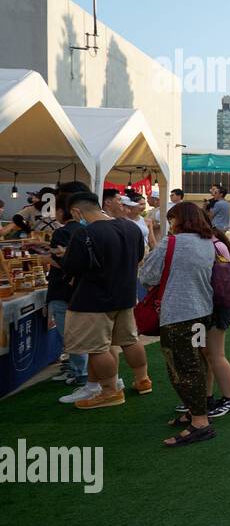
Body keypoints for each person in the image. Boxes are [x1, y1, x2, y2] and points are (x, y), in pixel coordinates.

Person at [60, 192, 151, 410]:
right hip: (126, 295)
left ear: (76, 211)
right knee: (130, 339)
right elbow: (139, 256)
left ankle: (110, 391)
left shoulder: (85, 233)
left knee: (97, 348)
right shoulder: (131, 228)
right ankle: (143, 380)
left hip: (93, 300)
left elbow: (71, 267)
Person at [140, 202, 217, 447]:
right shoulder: (208, 243)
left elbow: (147, 276)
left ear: (179, 220)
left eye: (172, 219)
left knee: (182, 368)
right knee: (198, 364)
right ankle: (196, 412)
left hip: (178, 314)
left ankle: (200, 422)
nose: (171, 224)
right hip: (203, 311)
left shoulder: (171, 242)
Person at [48, 182, 92, 400]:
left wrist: (49, 257)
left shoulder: (64, 233)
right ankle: (77, 371)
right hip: (81, 292)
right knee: (78, 335)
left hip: (63, 290)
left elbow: (66, 263)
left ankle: (81, 374)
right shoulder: (87, 230)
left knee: (71, 336)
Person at [202, 224, 230, 418]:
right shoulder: (218, 244)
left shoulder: (210, 245)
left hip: (218, 305)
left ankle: (229, 398)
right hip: (221, 304)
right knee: (208, 354)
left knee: (216, 354)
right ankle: (207, 397)